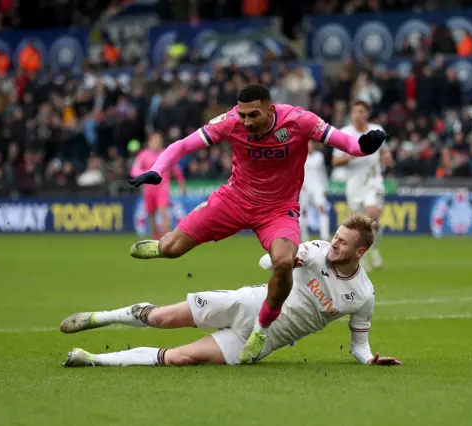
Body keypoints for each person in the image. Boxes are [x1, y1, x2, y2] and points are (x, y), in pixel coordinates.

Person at [127, 84, 389, 364]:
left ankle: (261, 330)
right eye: (242, 115)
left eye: (253, 115)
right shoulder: (230, 122)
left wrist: (363, 146)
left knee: (284, 261)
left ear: (271, 109)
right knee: (172, 248)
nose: (246, 122)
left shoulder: (299, 120)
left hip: (278, 211)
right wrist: (157, 169)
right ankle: (161, 247)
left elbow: (343, 142)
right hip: (234, 200)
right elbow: (183, 145)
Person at [60, 215, 402, 368]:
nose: (335, 243)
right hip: (245, 304)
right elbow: (264, 263)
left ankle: (91, 360)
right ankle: (98, 318)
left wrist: (371, 359)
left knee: (181, 358)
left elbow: (359, 346)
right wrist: (285, 262)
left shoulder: (363, 295)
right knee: (162, 318)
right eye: (337, 236)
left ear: (360, 253)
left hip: (260, 339)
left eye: (343, 242)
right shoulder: (314, 250)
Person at [333, 100, 386, 271]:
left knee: (373, 215)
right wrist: (351, 155)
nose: (358, 114)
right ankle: (360, 256)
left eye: (362, 111)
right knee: (357, 223)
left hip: (373, 179)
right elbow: (335, 161)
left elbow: (384, 151)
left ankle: (375, 250)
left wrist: (387, 157)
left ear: (367, 113)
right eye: (355, 111)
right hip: (354, 182)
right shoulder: (344, 133)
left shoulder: (376, 130)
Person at [130, 133, 187, 239]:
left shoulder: (166, 153)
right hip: (148, 190)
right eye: (154, 140)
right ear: (149, 142)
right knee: (151, 214)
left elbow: (177, 171)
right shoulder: (142, 155)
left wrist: (182, 185)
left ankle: (167, 237)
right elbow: (134, 170)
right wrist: (147, 173)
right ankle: (156, 238)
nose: (157, 143)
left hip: (162, 189)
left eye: (159, 140)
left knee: (163, 211)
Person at [299, 141, 330, 242]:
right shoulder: (301, 156)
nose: (309, 147)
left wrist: (325, 187)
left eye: (310, 145)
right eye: (307, 145)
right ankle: (304, 236)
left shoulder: (319, 156)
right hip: (305, 188)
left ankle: (325, 236)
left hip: (318, 187)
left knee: (322, 210)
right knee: (303, 212)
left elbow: (323, 172)